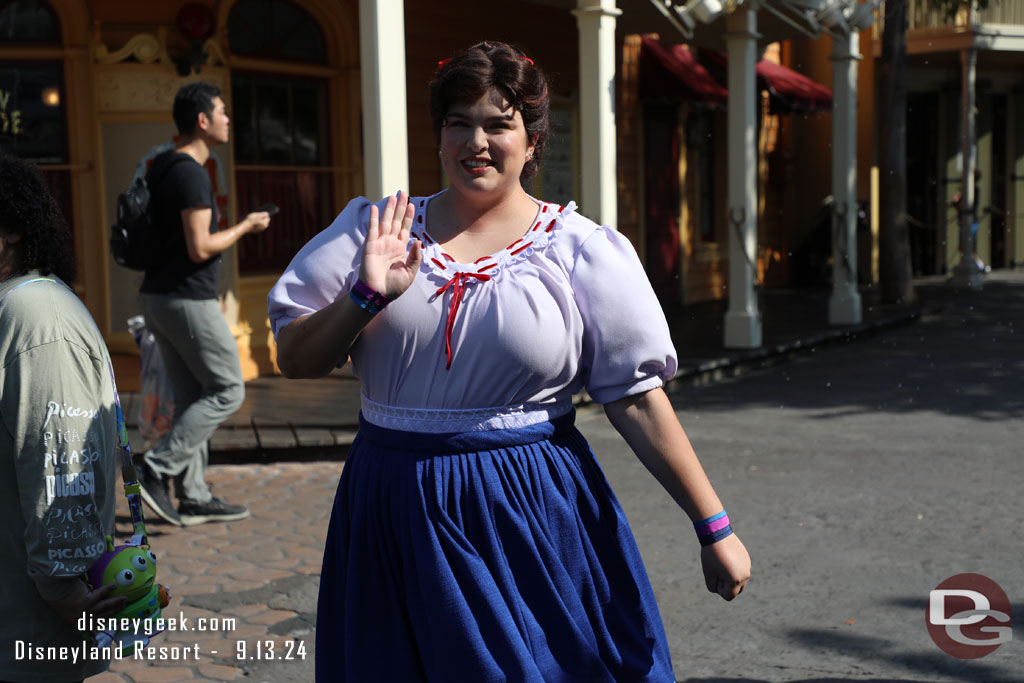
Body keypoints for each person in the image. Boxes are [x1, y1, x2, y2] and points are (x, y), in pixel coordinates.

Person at [269, 42, 751, 681]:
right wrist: (364, 297)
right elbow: (294, 358)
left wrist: (713, 525)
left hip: (529, 509)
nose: (477, 140)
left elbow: (636, 397)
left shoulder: (579, 251)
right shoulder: (374, 232)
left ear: (531, 141)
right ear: (438, 137)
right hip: (394, 504)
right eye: (459, 122)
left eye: (499, 123)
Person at [0, 151, 126, 682]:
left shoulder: (36, 320)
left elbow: (60, 471)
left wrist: (68, 593)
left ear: (7, 231)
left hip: (29, 639)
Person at [136, 83, 272, 526]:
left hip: (160, 295)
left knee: (193, 394)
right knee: (229, 389)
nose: (228, 119)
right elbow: (200, 247)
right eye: (222, 111)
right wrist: (246, 226)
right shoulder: (191, 172)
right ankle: (156, 466)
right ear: (202, 120)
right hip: (186, 299)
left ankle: (192, 494)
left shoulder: (161, 166)